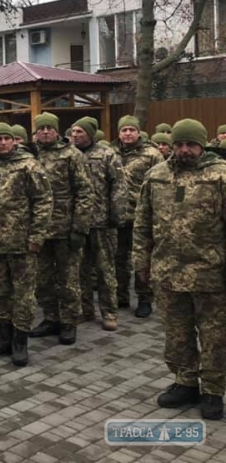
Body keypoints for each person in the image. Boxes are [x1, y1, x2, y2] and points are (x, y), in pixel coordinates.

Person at [133, 119, 226, 421]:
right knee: (177, 333)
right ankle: (185, 382)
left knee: (215, 336)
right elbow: (142, 223)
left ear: (202, 145)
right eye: (179, 144)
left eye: (191, 144)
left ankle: (213, 389)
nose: (184, 150)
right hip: (167, 272)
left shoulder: (220, 176)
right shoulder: (156, 175)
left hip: (211, 273)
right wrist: (141, 262)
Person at [0, 123, 53, 366]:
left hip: (21, 244)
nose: (4, 143)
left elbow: (43, 202)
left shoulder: (29, 166)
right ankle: (3, 337)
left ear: (14, 141)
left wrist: (36, 237)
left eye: (8, 138)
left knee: (23, 295)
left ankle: (20, 341)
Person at [31, 112, 94, 346]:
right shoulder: (31, 155)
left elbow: (85, 193)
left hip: (65, 228)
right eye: (41, 128)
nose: (45, 131)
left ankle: (69, 321)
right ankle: (50, 317)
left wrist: (79, 227)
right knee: (42, 278)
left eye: (50, 127)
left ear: (57, 131)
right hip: (39, 230)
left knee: (68, 279)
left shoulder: (72, 155)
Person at [71, 117, 129, 331]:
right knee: (80, 270)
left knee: (105, 270)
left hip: (102, 222)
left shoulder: (107, 154)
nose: (76, 135)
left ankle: (109, 312)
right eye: (73, 131)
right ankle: (85, 310)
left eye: (80, 131)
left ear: (90, 134)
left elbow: (119, 186)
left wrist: (116, 215)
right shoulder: (70, 154)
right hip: (78, 223)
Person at [114, 115, 164, 317]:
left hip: (141, 216)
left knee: (141, 259)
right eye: (124, 130)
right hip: (117, 216)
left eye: (131, 130)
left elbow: (160, 185)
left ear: (138, 132)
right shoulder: (110, 152)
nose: (127, 133)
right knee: (118, 259)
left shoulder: (152, 154)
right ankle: (121, 296)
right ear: (119, 133)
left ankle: (144, 298)